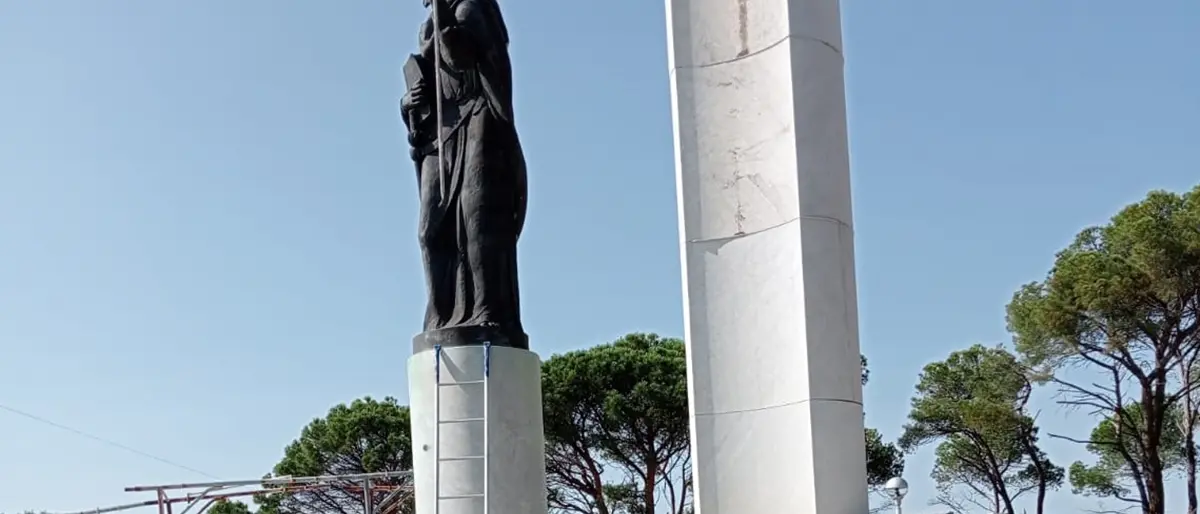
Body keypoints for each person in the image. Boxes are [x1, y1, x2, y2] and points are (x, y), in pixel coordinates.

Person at [400, 0, 528, 345]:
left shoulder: (472, 9)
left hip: (478, 117)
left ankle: (488, 310)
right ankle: (441, 312)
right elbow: (428, 77)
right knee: (430, 231)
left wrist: (443, 11)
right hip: (441, 135)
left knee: (478, 223)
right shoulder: (428, 22)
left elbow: (461, 57)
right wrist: (409, 102)